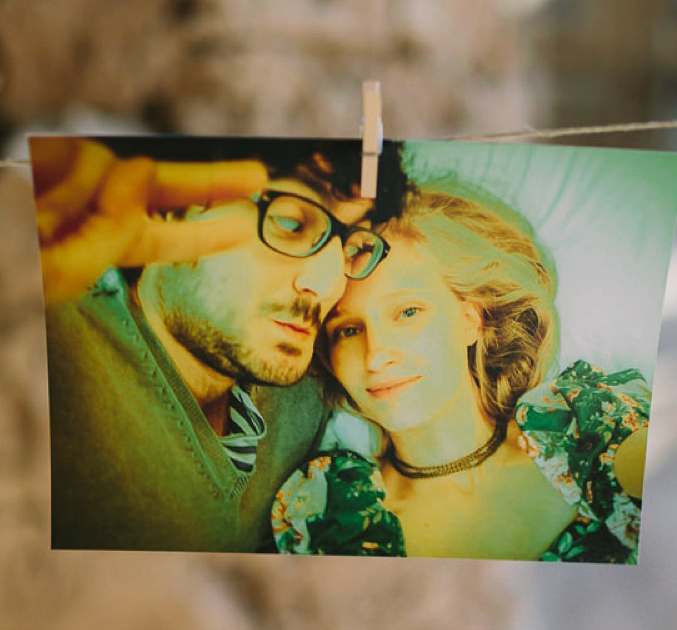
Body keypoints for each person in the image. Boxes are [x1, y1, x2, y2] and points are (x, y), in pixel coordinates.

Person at [34, 135, 407, 552]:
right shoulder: (58, 355)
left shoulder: (314, 393)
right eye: (291, 224)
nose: (326, 284)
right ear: (172, 206)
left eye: (353, 245)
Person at [272, 183, 650, 562]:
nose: (375, 356)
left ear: (471, 320)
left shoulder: (590, 428)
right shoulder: (329, 510)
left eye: (407, 312)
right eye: (348, 330)